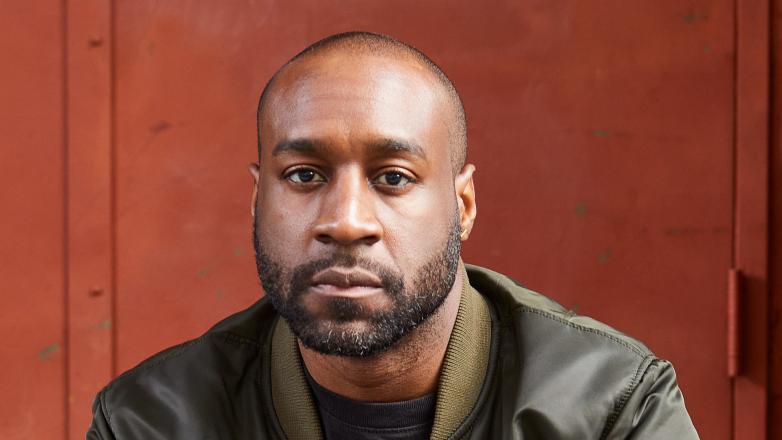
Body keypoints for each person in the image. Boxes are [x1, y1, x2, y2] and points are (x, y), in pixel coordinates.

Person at [87, 31, 699, 440]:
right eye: (304, 175)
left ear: (462, 206)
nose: (347, 221)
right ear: (257, 201)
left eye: (394, 177)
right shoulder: (154, 421)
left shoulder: (612, 409)